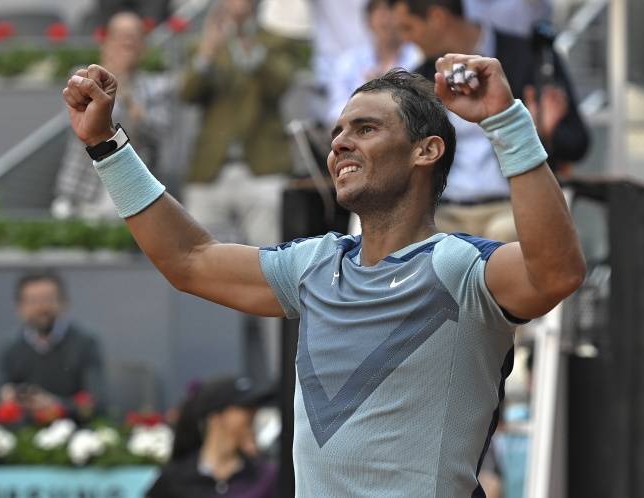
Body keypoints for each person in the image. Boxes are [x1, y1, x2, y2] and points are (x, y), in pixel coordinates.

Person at [62, 48, 585, 495]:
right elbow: (189, 260)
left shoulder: (459, 266)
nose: (339, 144)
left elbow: (556, 273)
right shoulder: (312, 265)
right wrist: (106, 145)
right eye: (337, 132)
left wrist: (506, 120)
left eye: (366, 128)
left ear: (426, 151)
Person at [389, 0, 590, 241]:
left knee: (506, 236)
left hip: (513, 206)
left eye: (408, 27)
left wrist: (543, 131)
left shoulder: (531, 58)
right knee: (414, 239)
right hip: (443, 210)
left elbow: (576, 144)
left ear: (437, 17)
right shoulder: (420, 76)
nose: (405, 39)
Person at [179, 0, 299, 246]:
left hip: (263, 168)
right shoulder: (205, 42)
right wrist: (207, 54)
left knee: (267, 256)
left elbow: (281, 85)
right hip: (211, 169)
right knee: (202, 258)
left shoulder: (275, 40)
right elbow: (187, 94)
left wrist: (253, 50)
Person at [52, 11, 172, 219]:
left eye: (133, 37)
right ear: (105, 42)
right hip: (80, 188)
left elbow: (157, 134)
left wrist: (123, 87)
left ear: (143, 47)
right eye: (120, 36)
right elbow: (83, 128)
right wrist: (109, 76)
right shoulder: (83, 77)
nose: (126, 43)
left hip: (130, 190)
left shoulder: (157, 86)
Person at [0, 272, 106, 422]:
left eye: (48, 299)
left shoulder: (85, 343)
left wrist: (57, 405)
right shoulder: (11, 347)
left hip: (73, 430)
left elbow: (98, 403)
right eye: (33, 301)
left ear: (64, 303)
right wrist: (6, 399)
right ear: (19, 308)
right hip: (24, 430)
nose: (41, 307)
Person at [147, 376, 277, 497]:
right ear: (215, 417)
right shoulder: (174, 480)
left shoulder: (266, 477)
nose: (253, 414)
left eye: (254, 408)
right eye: (245, 407)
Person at [324, 0, 422, 128]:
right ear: (369, 21)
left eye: (392, 11)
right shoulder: (348, 62)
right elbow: (335, 110)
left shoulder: (419, 57)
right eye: (381, 13)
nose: (387, 19)